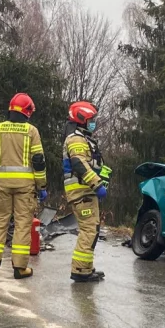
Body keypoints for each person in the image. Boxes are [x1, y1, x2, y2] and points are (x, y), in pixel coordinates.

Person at [0, 93, 47, 280]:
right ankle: (20, 268)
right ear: (27, 111)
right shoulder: (31, 131)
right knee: (22, 226)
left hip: (2, 185)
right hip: (25, 187)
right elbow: (38, 160)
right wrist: (41, 186)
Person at [63, 101, 110, 283]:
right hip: (81, 191)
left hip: (85, 191)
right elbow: (79, 163)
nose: (93, 122)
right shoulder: (76, 139)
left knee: (92, 229)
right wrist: (97, 184)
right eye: (91, 119)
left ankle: (85, 267)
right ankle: (81, 270)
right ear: (82, 119)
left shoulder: (83, 138)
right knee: (89, 230)